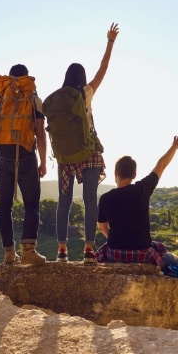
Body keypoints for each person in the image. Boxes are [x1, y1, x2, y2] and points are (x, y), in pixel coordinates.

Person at [55, 22, 119, 264]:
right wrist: (110, 41)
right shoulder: (86, 92)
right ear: (81, 78)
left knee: (64, 201)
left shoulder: (57, 98)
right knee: (90, 198)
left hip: (64, 155)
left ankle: (62, 250)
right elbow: (103, 69)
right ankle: (89, 249)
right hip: (88, 151)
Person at [0, 62, 48, 264]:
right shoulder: (34, 99)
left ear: (9, 78)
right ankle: (28, 251)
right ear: (26, 78)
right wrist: (43, 162)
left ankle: (9, 254)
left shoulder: (0, 96)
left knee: (5, 206)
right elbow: (40, 133)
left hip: (2, 158)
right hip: (26, 157)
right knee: (31, 205)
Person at [94, 135, 178, 268]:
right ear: (134, 175)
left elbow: (102, 227)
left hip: (114, 253)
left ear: (115, 173)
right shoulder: (142, 189)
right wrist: (174, 147)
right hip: (143, 254)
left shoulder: (105, 198)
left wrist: (120, 240)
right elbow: (161, 165)